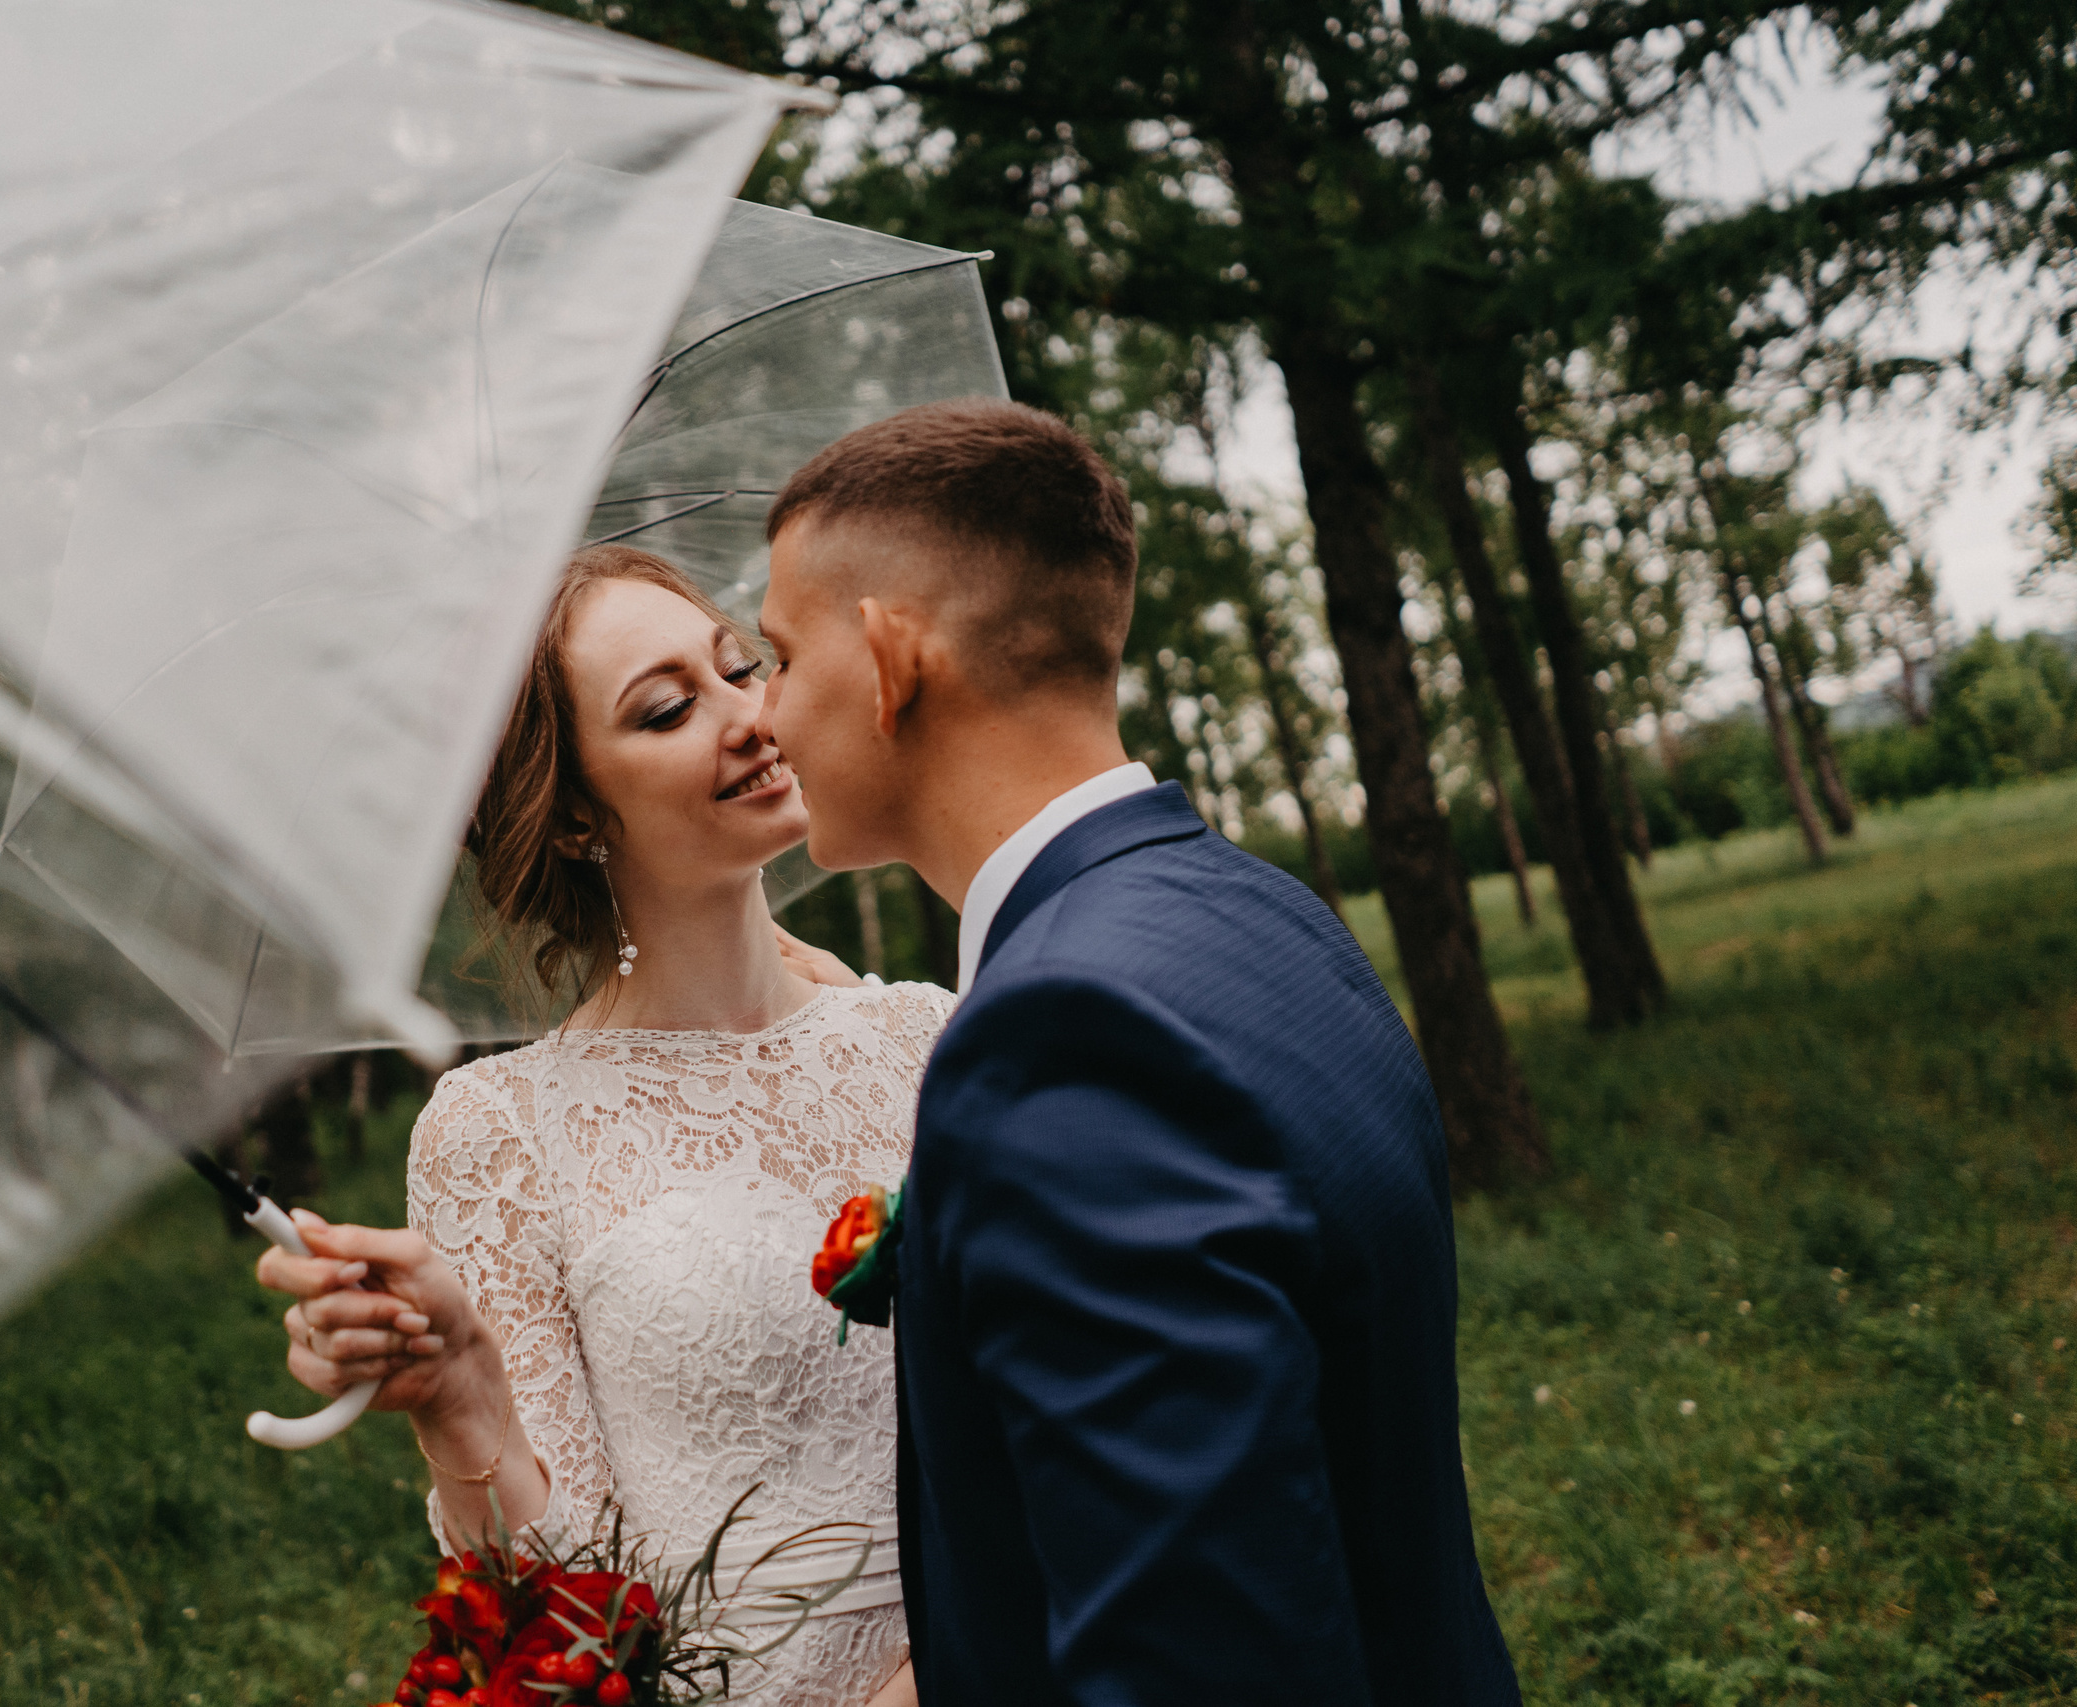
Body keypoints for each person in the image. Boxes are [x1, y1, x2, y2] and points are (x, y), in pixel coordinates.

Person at [754, 399, 1522, 1705]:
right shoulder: (1260, 910)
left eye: (775, 655)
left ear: (888, 657)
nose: (764, 713)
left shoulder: (1060, 1039)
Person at [257, 544, 938, 1707]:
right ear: (573, 816)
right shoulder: (500, 1131)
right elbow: (559, 1612)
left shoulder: (930, 1039)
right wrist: (460, 1396)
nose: (748, 715)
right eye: (669, 708)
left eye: (742, 668)